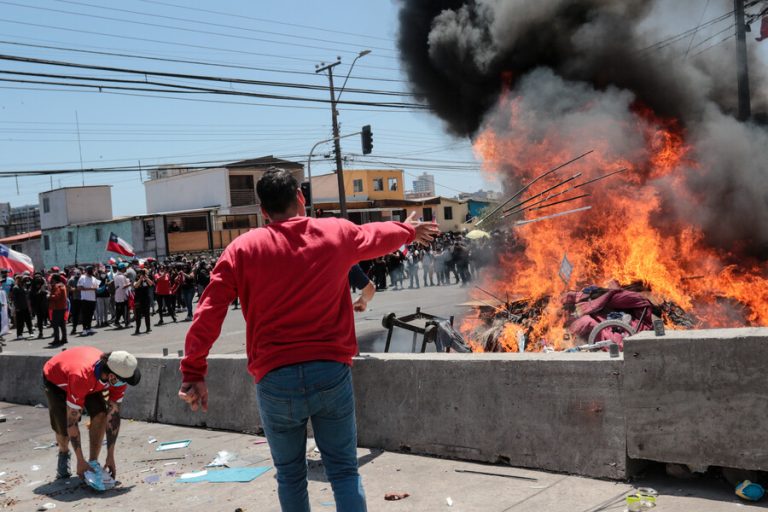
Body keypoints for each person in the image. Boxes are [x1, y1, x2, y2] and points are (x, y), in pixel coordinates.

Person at [178, 168, 438, 512]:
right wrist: (408, 230)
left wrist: (194, 371)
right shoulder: (335, 233)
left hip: (275, 381)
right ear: (301, 198)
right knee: (344, 472)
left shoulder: (242, 249)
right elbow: (373, 235)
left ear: (262, 210)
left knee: (290, 476)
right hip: (331, 374)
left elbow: (208, 312)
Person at [42, 347, 141, 480]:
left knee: (101, 414)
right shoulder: (81, 376)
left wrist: (110, 455)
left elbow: (114, 415)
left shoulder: (117, 375)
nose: (124, 384)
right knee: (63, 428)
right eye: (124, 381)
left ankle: (93, 462)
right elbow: (72, 422)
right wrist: (80, 460)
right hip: (57, 380)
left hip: (90, 381)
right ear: (112, 377)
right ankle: (64, 453)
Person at [77, 266, 100, 336]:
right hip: (85, 299)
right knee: (85, 315)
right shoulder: (82, 277)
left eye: (92, 270)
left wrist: (94, 289)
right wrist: (90, 289)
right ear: (87, 271)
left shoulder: (94, 278)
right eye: (90, 270)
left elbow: (96, 288)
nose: (91, 271)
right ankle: (84, 329)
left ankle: (89, 328)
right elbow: (79, 288)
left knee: (90, 315)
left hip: (92, 299)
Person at [48, 273, 68, 346]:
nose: (51, 280)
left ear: (54, 279)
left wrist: (49, 296)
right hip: (62, 307)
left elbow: (56, 296)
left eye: (52, 278)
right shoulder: (62, 285)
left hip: (57, 308)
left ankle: (57, 340)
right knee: (62, 324)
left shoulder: (57, 286)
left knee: (55, 324)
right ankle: (64, 338)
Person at [10, 274, 33, 339]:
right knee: (20, 322)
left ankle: (31, 332)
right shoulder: (15, 288)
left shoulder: (24, 286)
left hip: (25, 306)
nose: (21, 280)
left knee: (28, 320)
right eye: (19, 279)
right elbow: (14, 299)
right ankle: (19, 334)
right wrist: (16, 307)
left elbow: (27, 296)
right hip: (19, 307)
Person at [132, 269, 154, 335]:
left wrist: (146, 278)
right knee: (138, 316)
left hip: (146, 299)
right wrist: (140, 279)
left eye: (142, 273)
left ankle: (148, 328)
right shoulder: (136, 279)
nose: (141, 274)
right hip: (138, 300)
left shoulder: (146, 279)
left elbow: (151, 284)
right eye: (140, 273)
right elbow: (135, 286)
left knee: (147, 314)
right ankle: (137, 329)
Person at [112, 264, 131, 329]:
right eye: (125, 267)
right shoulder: (121, 277)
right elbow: (123, 286)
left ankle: (117, 322)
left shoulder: (116, 276)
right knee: (125, 310)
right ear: (122, 268)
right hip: (122, 296)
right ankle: (126, 323)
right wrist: (130, 283)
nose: (126, 268)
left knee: (119, 310)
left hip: (118, 296)